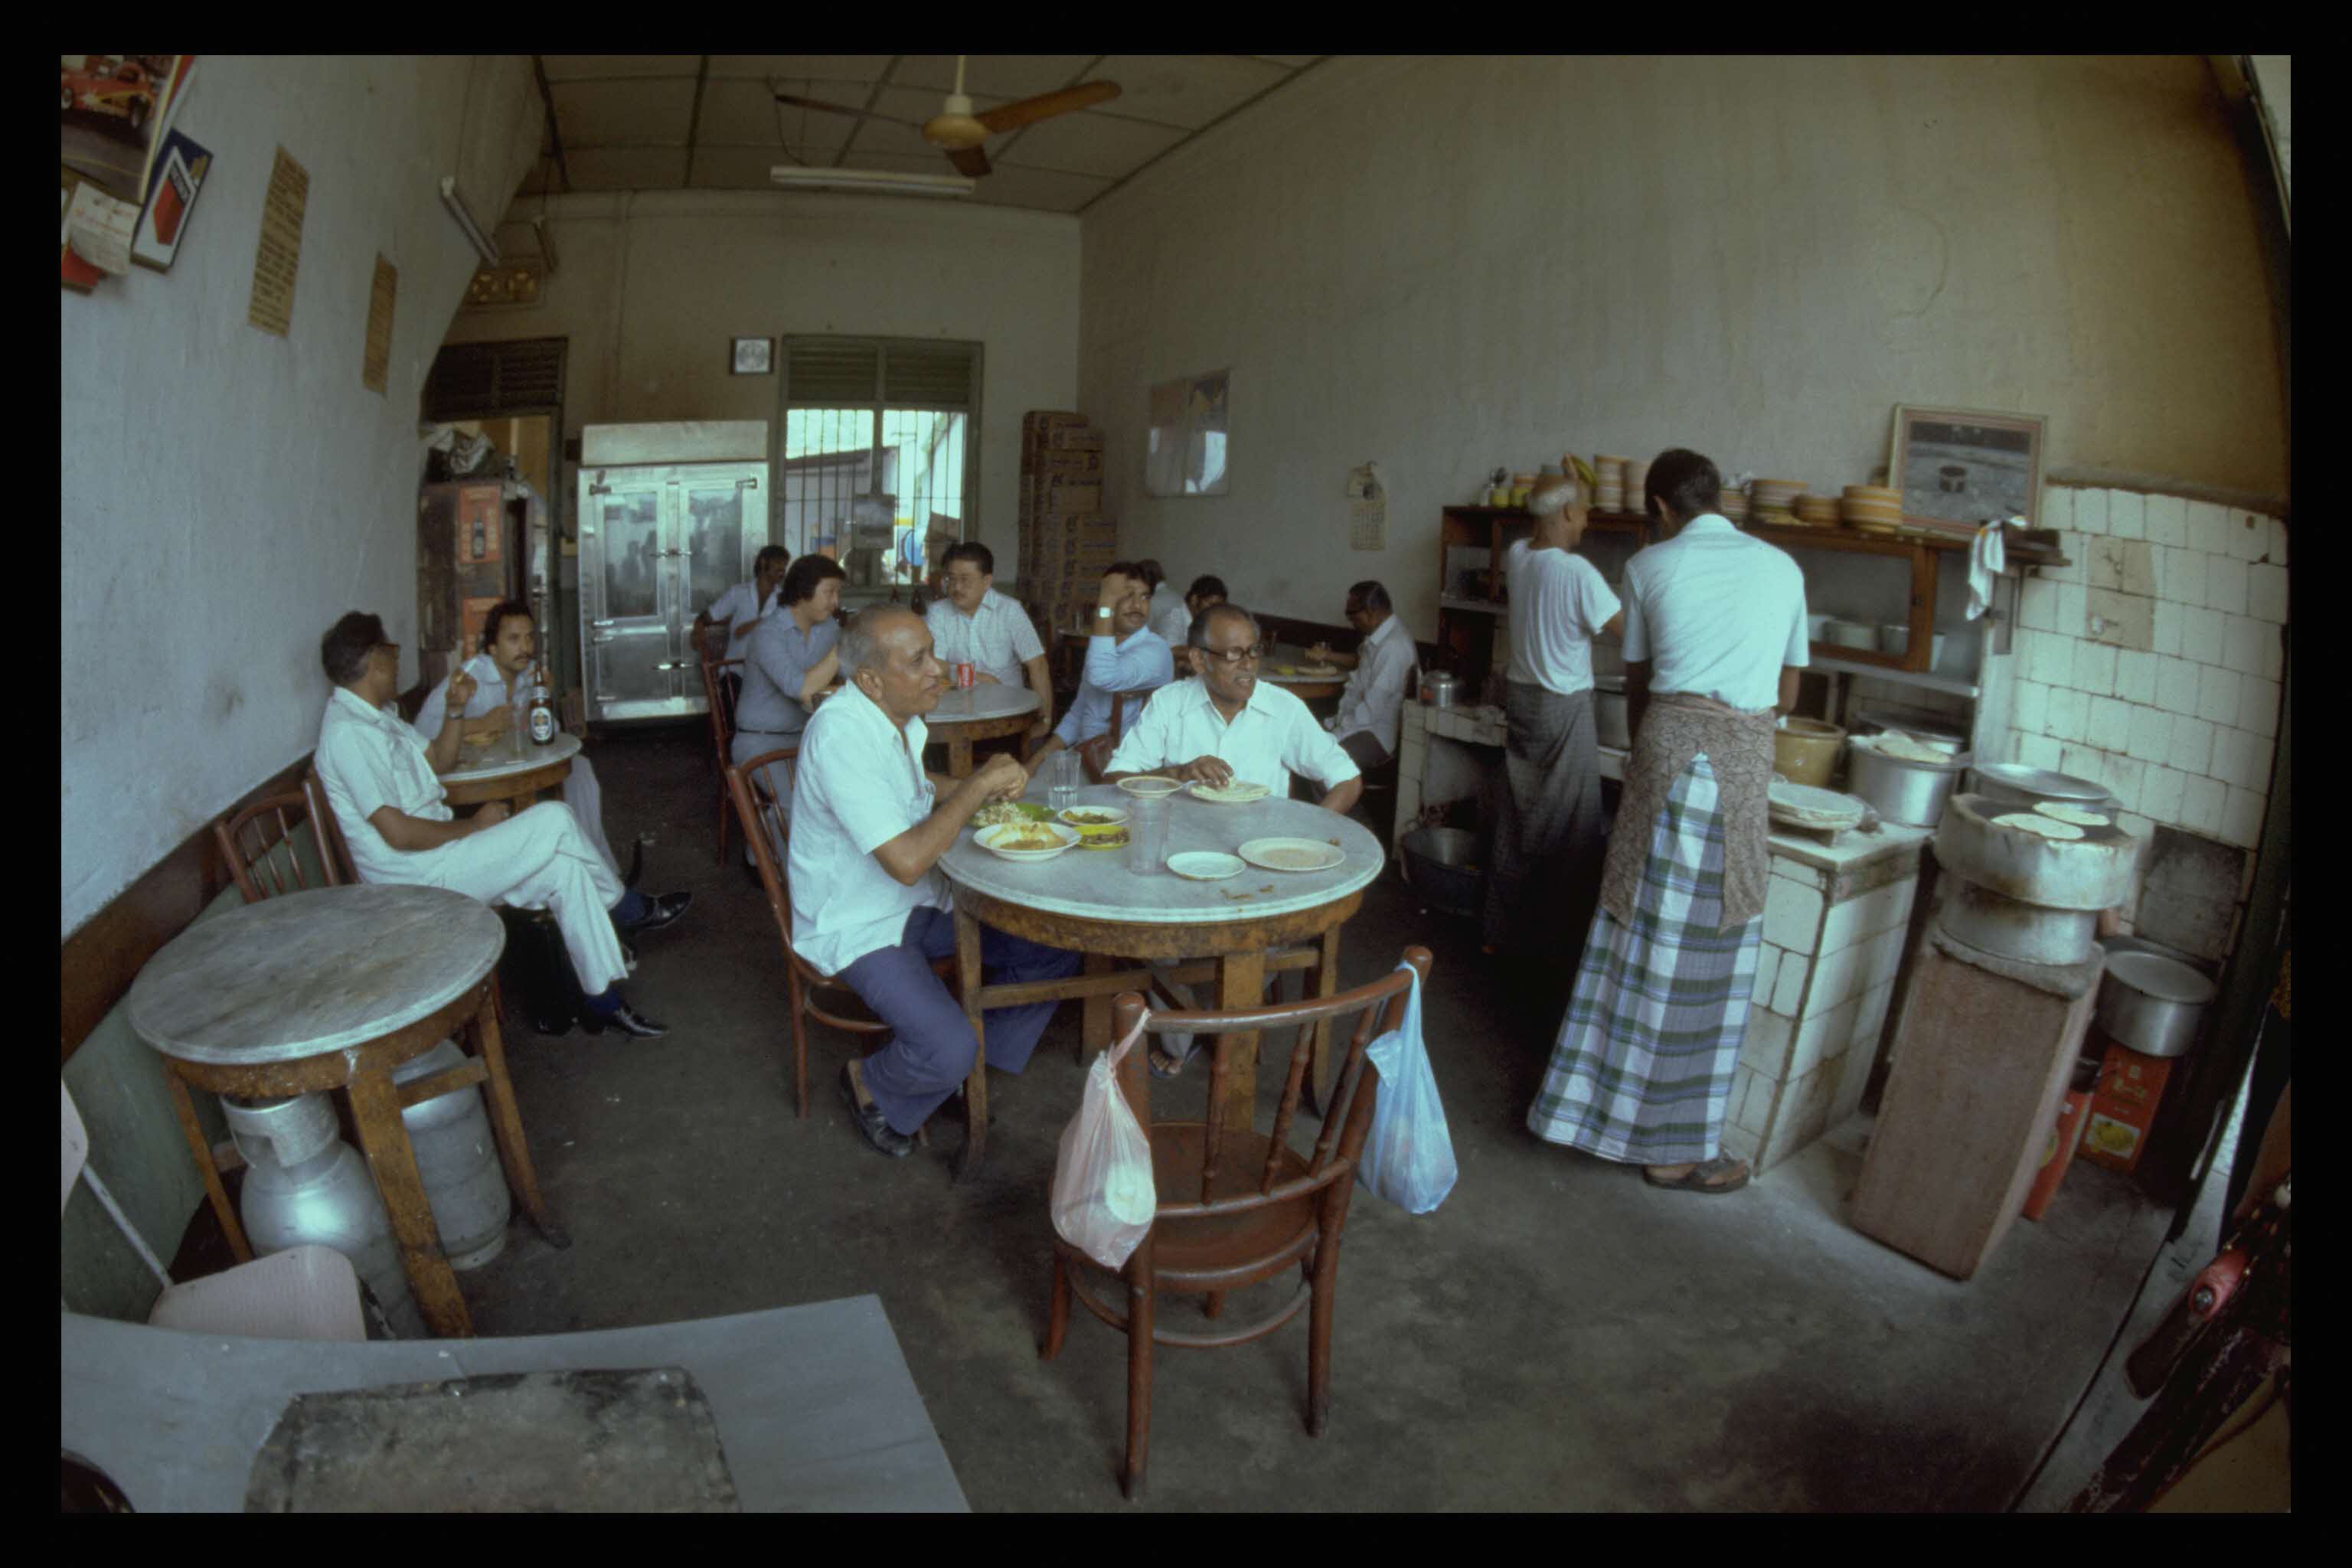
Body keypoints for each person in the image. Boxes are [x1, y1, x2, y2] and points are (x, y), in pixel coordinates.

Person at [1525, 449, 1808, 1195]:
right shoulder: (1783, 567)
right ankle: (1676, 1150)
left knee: (1635, 935)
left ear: (1658, 507)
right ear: (1723, 498)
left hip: (1665, 756)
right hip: (1744, 765)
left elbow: (1641, 684)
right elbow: (1790, 682)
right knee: (1717, 947)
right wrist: (1743, 728)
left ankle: (1590, 1116)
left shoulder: (1649, 568)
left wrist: (1664, 752)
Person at [792, 607, 1085, 1158]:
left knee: (1054, 944)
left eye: (933, 651)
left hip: (919, 901)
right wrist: (976, 789)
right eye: (919, 660)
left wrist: (975, 785)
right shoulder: (841, 735)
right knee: (949, 1045)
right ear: (871, 681)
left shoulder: (890, 720)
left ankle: (959, 1073)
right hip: (859, 919)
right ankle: (875, 1081)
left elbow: (915, 784)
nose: (939, 669)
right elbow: (905, 861)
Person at [312, 612, 678, 1039]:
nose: (396, 664)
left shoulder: (380, 717)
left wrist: (454, 709)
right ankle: (627, 908)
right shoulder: (348, 735)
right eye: (391, 653)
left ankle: (603, 1004)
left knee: (567, 871)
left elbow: (440, 762)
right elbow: (398, 834)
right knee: (556, 818)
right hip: (415, 877)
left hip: (441, 857)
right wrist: (475, 826)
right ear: (375, 660)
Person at [1481, 479, 1625, 959]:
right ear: (1564, 513)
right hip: (1561, 706)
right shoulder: (1577, 572)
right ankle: (1553, 948)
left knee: (1521, 818)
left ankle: (1500, 935)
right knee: (1571, 827)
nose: (1587, 520)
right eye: (1583, 511)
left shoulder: (1518, 556)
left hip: (1522, 702)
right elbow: (1626, 628)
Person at [413, 599, 644, 887]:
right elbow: (422, 734)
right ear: (493, 648)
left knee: (579, 770)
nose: (525, 646)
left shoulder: (531, 675)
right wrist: (481, 724)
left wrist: (544, 699)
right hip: (474, 783)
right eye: (513, 639)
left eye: (529, 637)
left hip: (516, 772)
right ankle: (577, 885)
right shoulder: (468, 677)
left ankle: (601, 876)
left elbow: (551, 737)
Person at [1104, 602, 1363, 812]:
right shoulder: (1169, 703)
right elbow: (1113, 783)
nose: (1248, 665)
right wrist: (1176, 773)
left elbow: (1347, 780)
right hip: (1181, 848)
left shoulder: (1283, 708)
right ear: (1199, 660)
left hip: (1258, 852)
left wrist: (1309, 835)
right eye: (1233, 654)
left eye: (1253, 651)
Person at [731, 554, 847, 845]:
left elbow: (850, 674)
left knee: (848, 792)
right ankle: (779, 876)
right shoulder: (768, 633)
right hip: (760, 740)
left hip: (806, 737)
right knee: (797, 804)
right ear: (803, 591)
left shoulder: (828, 628)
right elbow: (801, 690)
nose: (836, 602)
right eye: (829, 592)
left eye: (838, 593)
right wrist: (845, 646)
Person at [1024, 561, 1174, 779]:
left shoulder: (1155, 650)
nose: (1137, 605)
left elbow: (1103, 676)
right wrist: (1035, 763)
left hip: (1124, 770)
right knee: (1017, 788)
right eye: (1127, 595)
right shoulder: (1104, 646)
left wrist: (1105, 604)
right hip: (1085, 757)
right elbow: (1079, 713)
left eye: (1145, 597)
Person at [923, 541, 1054, 743]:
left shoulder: (1010, 611)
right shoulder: (938, 612)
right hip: (955, 717)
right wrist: (977, 677)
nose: (956, 587)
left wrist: (1045, 720)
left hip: (1008, 717)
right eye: (951, 579)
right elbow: (933, 666)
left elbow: (1037, 665)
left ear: (987, 581)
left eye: (966, 580)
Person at [1306, 580, 1419, 772]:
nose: (1351, 622)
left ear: (1372, 611)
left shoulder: (1394, 647)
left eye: (1353, 615)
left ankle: (1342, 803)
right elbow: (1361, 663)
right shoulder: (1380, 636)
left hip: (1374, 735)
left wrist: (1336, 732)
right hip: (1356, 723)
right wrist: (1327, 655)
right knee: (1301, 748)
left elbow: (1370, 711)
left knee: (1323, 766)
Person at [694, 544, 790, 681]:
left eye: (784, 566)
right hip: (735, 672)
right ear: (763, 563)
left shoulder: (784, 599)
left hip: (768, 674)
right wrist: (697, 633)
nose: (782, 571)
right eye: (778, 564)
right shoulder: (738, 593)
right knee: (732, 690)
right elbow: (706, 618)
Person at [1138, 559, 1190, 648]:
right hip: (1183, 649)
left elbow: (1141, 632)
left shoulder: (1153, 600)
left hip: (1163, 651)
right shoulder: (1176, 596)